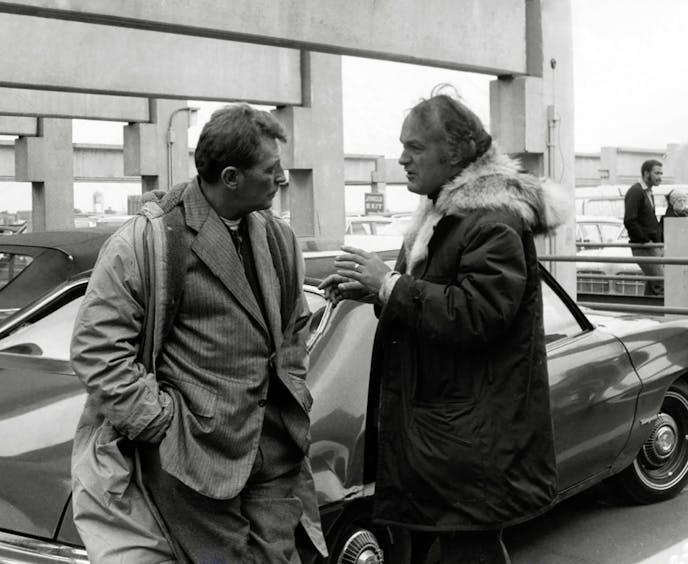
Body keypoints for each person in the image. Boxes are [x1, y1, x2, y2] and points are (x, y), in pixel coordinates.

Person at [70, 104, 326, 564]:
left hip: (272, 456)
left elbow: (293, 333)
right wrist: (160, 424)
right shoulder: (147, 240)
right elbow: (96, 351)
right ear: (231, 177)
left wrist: (293, 392)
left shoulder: (278, 239)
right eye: (271, 169)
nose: (282, 177)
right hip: (195, 463)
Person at [320, 93, 568, 564]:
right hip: (451, 437)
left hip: (469, 441)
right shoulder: (446, 215)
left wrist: (390, 285)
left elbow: (478, 316)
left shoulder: (491, 222)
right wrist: (375, 291)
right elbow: (433, 301)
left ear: (453, 154)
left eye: (414, 147)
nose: (402, 159)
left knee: (468, 552)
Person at [624, 159, 664, 296]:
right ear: (646, 173)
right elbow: (629, 220)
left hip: (651, 246)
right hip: (644, 247)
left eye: (661, 173)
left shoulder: (647, 192)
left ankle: (647, 308)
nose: (660, 177)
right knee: (662, 283)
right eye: (657, 173)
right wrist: (645, 240)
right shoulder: (636, 192)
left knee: (654, 284)